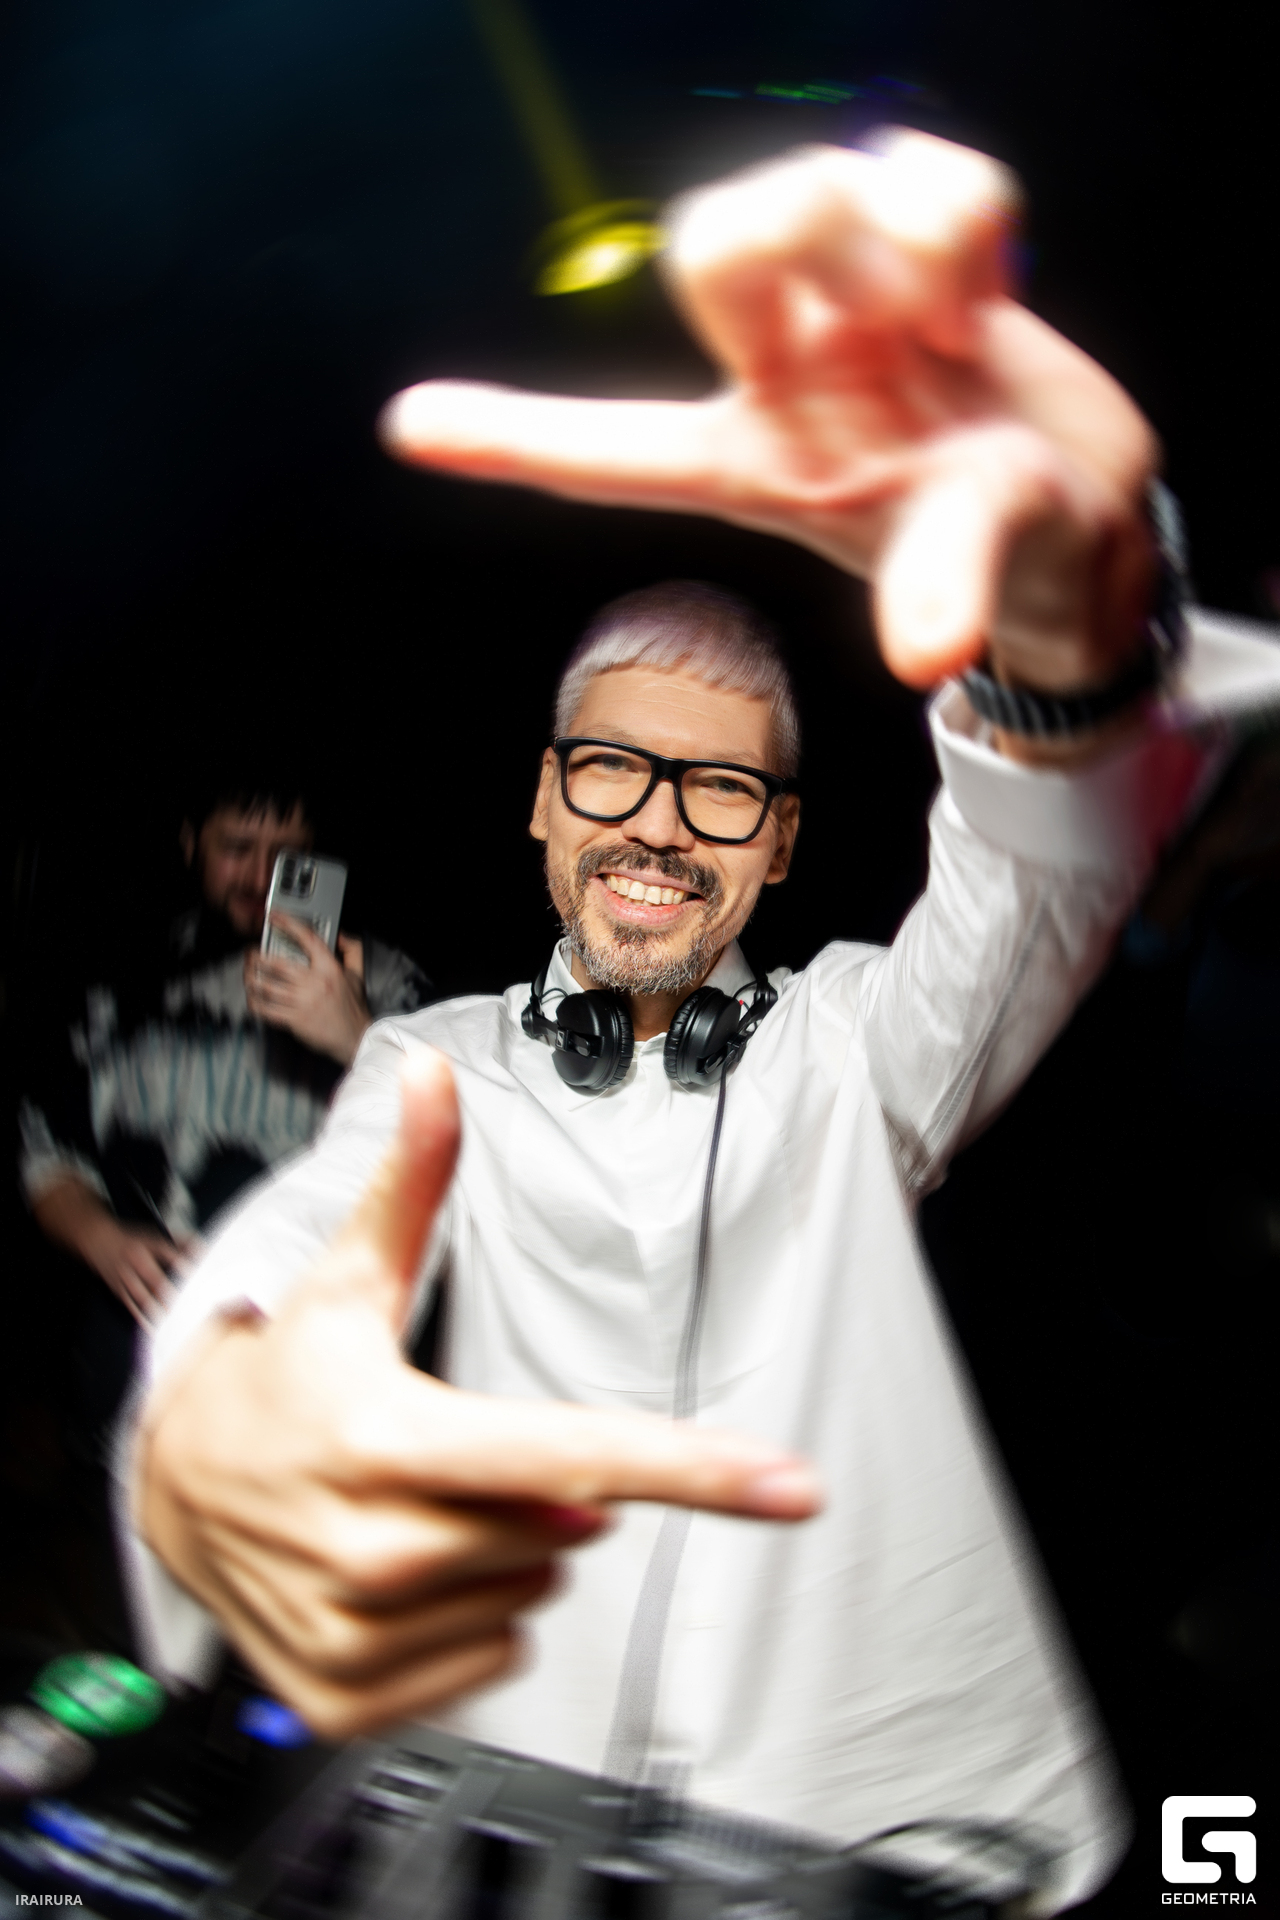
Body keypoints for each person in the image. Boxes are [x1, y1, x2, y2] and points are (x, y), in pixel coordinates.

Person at [128, 133, 1280, 1913]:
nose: (660, 826)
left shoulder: (855, 1049)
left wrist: (1069, 666)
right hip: (513, 1801)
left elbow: (1036, 880)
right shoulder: (435, 1065)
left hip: (875, 1830)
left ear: (781, 847)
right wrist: (208, 1412)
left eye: (721, 790)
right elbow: (291, 1245)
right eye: (613, 769)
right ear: (542, 802)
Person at [18, 766, 430, 1385]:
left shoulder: (385, 980)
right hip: (135, 1361)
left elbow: (449, 1151)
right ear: (192, 844)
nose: (261, 879)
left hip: (307, 1366)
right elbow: (45, 1150)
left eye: (286, 858)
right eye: (237, 849)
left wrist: (356, 1036)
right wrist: (102, 1239)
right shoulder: (120, 983)